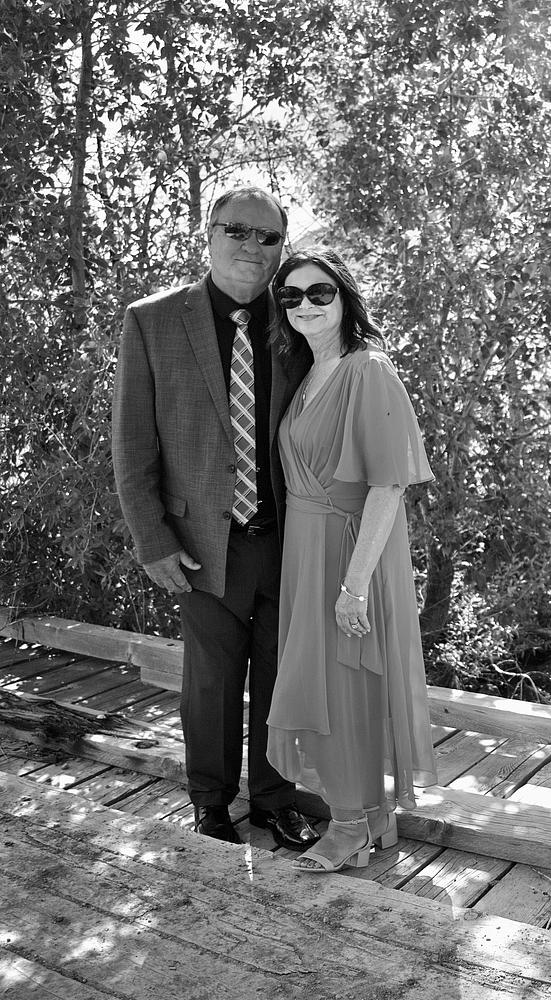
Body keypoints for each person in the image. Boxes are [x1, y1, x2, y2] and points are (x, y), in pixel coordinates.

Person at [112, 186, 319, 851]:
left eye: (268, 237)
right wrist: (152, 540)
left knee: (284, 679)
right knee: (210, 684)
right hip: (201, 540)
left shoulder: (300, 316)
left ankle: (275, 800)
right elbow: (133, 444)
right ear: (208, 232)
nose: (252, 247)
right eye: (238, 230)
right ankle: (210, 804)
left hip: (291, 537)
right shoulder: (152, 320)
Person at [264, 246, 439, 873]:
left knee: (340, 689)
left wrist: (355, 585)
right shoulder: (306, 372)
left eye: (320, 293)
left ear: (345, 299)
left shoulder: (369, 370)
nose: (305, 305)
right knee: (324, 687)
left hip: (346, 554)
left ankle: (349, 827)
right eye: (291, 295)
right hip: (302, 552)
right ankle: (365, 819)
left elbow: (388, 485)